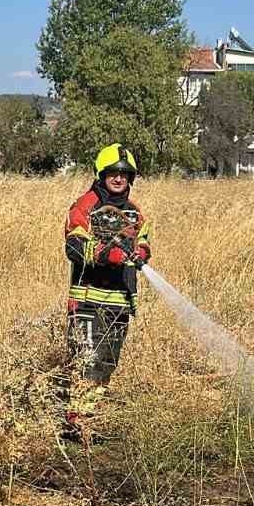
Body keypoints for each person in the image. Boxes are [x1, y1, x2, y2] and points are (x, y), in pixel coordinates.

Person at [63, 144, 151, 439]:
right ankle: (74, 422)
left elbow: (145, 241)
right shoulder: (85, 205)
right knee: (85, 359)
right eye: (113, 173)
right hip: (87, 301)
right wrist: (106, 255)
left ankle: (86, 418)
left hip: (119, 304)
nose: (118, 179)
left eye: (124, 174)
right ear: (102, 174)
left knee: (106, 364)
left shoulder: (136, 213)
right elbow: (74, 247)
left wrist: (142, 251)